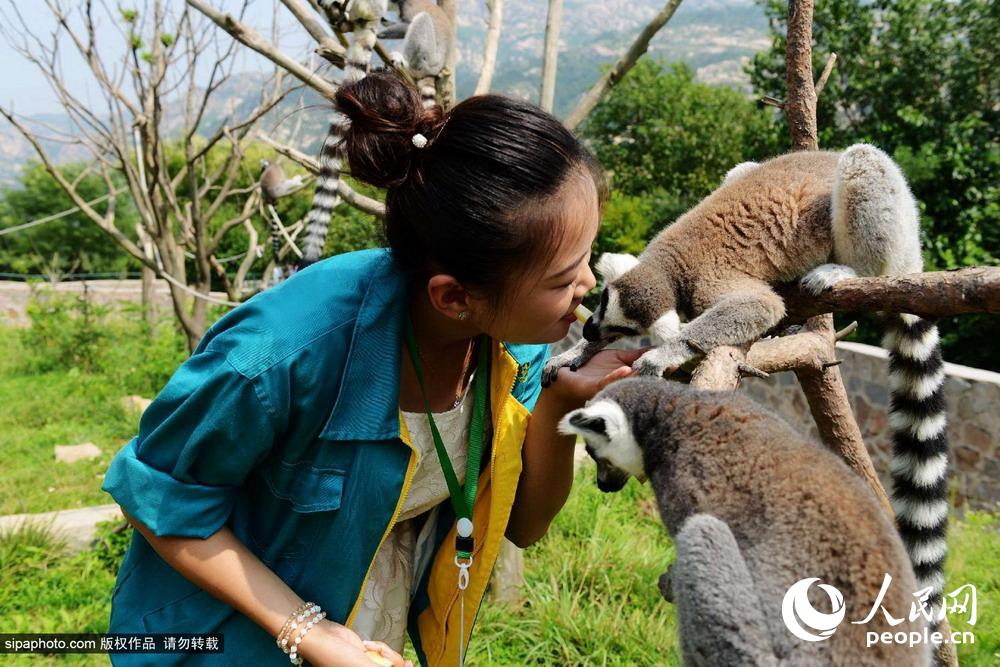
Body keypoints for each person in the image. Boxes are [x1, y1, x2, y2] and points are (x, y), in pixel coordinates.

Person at [101, 69, 644, 666]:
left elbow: (525, 525)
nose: (588, 286)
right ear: (453, 297)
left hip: (363, 631)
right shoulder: (279, 354)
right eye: (564, 278)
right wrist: (308, 632)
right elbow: (157, 501)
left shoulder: (513, 337)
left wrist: (561, 404)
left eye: (587, 258)